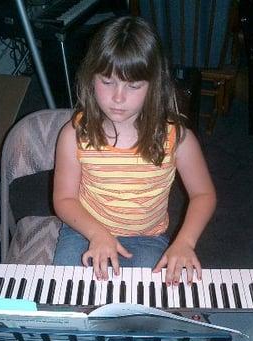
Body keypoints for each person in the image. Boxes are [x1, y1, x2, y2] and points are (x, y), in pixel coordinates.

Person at [52, 16, 216, 286]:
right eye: (107, 81)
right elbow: (64, 199)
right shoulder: (73, 135)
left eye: (133, 85)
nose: (118, 97)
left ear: (154, 86)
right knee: (67, 296)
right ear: (91, 78)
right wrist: (97, 233)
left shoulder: (178, 139)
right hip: (83, 230)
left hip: (147, 238)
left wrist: (185, 242)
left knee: (151, 307)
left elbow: (204, 194)